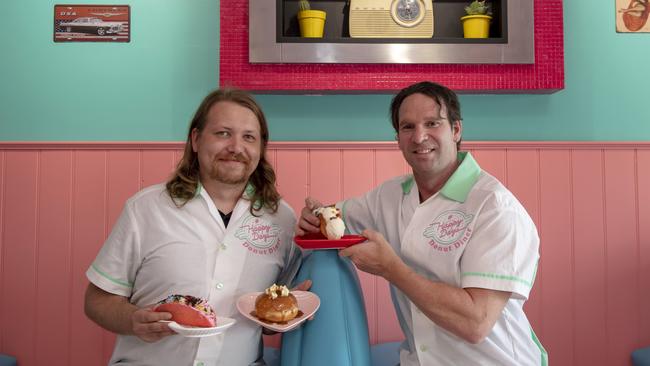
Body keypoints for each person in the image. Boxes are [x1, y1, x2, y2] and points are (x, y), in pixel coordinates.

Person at [297, 81, 547, 365]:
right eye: (408, 127)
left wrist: (391, 269)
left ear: (456, 130)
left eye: (432, 123)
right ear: (398, 138)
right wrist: (315, 216)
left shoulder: (495, 207)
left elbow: (476, 323)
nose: (419, 137)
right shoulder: (389, 196)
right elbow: (333, 218)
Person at [85, 88, 305, 366]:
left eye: (249, 137)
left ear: (261, 149)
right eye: (223, 133)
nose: (236, 147)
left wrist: (289, 313)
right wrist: (132, 320)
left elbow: (268, 318)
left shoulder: (281, 219)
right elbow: (97, 300)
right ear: (196, 139)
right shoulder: (146, 209)